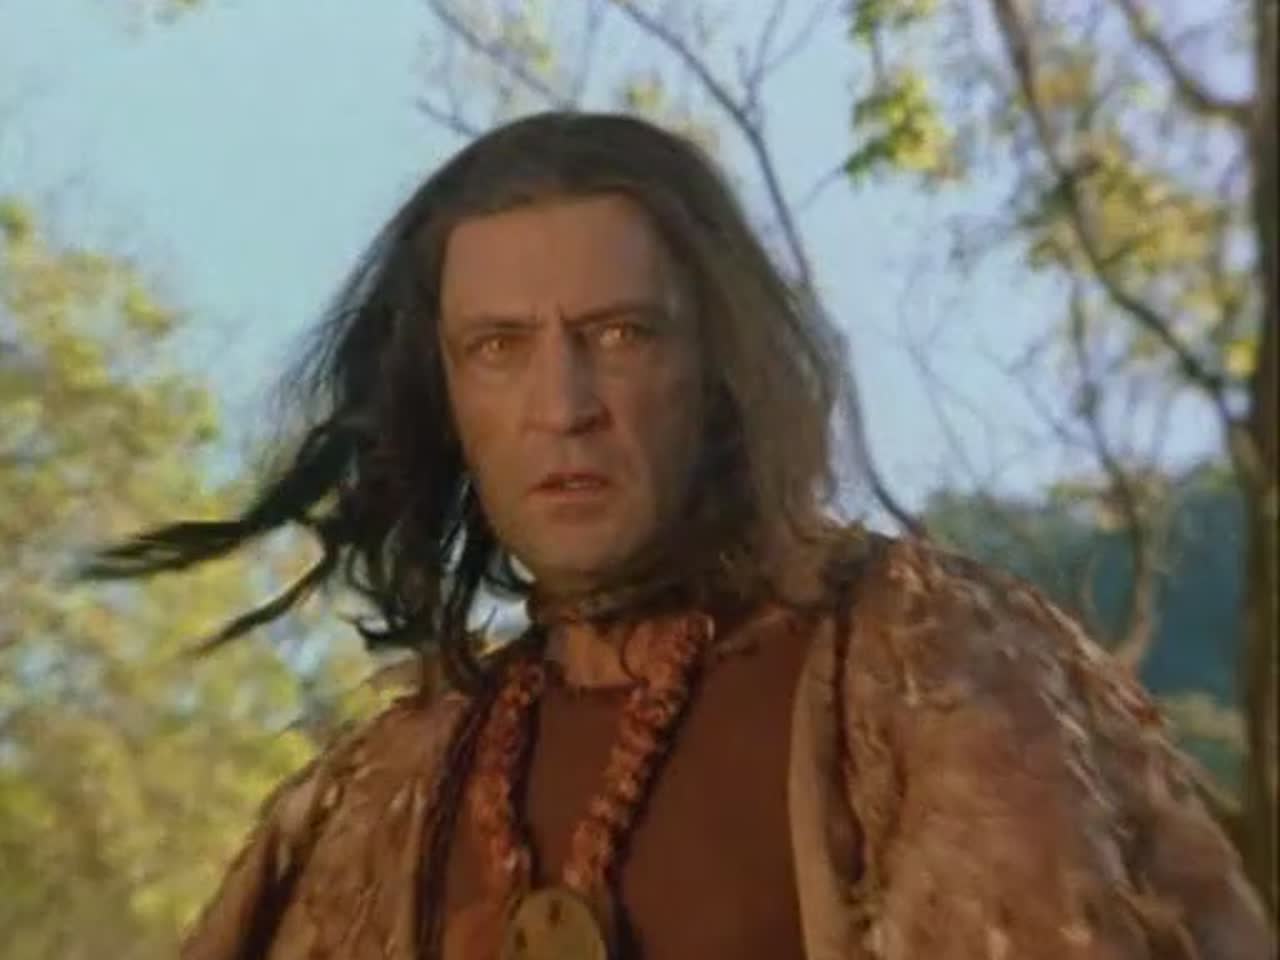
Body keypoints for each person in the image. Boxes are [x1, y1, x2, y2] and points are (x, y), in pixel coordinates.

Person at [93, 111, 1271, 959]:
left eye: (617, 334)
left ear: (717, 365)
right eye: (498, 349)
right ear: (443, 397)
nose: (562, 405)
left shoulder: (937, 676)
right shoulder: (382, 796)